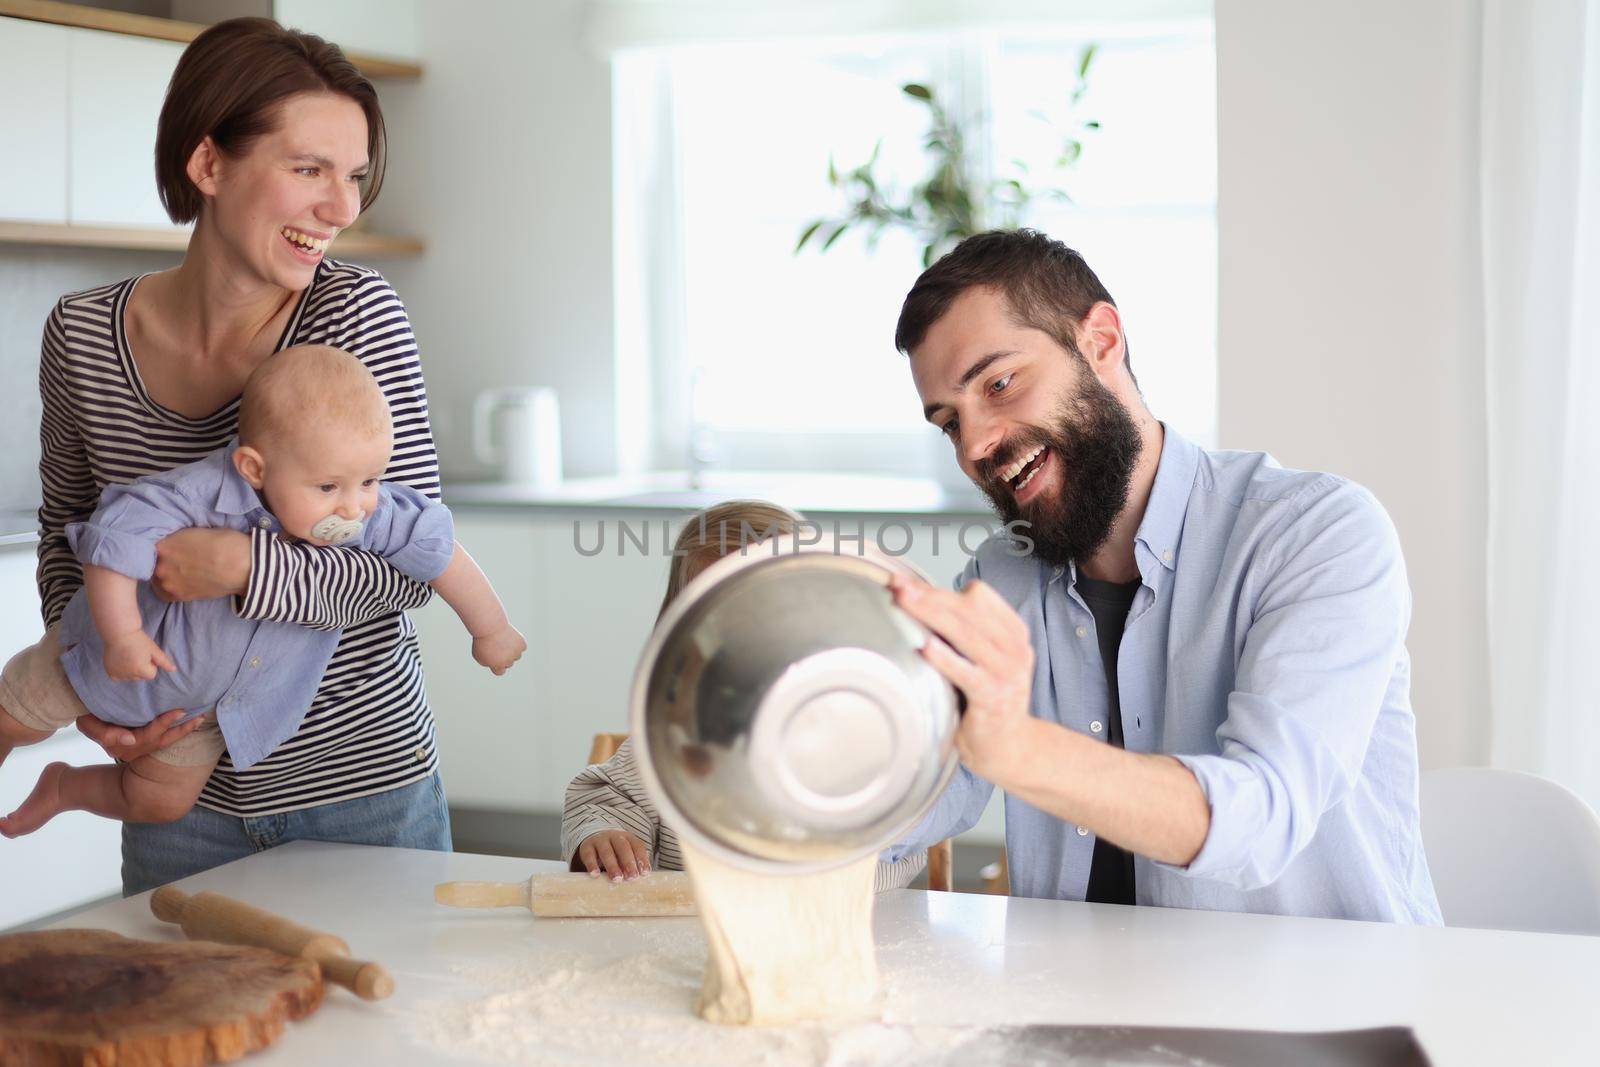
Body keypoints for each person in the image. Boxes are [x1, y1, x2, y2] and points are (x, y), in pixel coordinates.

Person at [882, 229, 1441, 923]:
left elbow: (1262, 815)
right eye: (949, 423)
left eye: (999, 383)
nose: (975, 445)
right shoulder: (1004, 577)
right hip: (1079, 1009)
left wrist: (1021, 748)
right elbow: (917, 793)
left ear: (1103, 341)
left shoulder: (1317, 532)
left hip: (1334, 1012)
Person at [34, 18, 461, 893]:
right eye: (309, 170)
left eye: (352, 177)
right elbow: (63, 535)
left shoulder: (356, 318)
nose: (341, 209)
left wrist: (241, 565)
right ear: (209, 166)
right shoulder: (80, 334)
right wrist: (97, 691)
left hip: (361, 790)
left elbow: (411, 566)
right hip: (175, 804)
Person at [1, 346, 526, 837]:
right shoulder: (193, 494)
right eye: (329, 487)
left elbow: (437, 548)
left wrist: (491, 628)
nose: (355, 507)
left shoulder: (364, 509)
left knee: (159, 802)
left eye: (370, 480)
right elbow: (113, 540)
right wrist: (122, 636)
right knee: (12, 720)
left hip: (194, 717)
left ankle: (66, 788)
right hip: (93, 658)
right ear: (255, 468)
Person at [561, 500, 927, 893]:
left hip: (835, 935)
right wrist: (605, 836)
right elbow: (604, 798)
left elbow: (900, 848)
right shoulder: (671, 745)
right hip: (689, 937)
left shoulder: (861, 746)